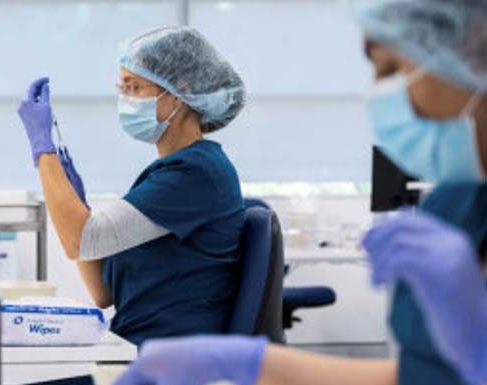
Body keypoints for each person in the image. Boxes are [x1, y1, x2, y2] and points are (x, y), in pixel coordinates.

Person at [113, 1, 487, 385]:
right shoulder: (455, 206)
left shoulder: (195, 170)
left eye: (391, 69)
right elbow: (417, 376)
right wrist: (253, 364)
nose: (377, 94)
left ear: (477, 54)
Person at [18, 26, 247, 346]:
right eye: (122, 87)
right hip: (135, 344)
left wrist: (42, 148)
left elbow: (79, 241)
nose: (125, 99)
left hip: (167, 358)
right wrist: (76, 204)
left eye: (135, 87)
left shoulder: (194, 174)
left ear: (179, 93)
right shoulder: (168, 173)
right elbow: (103, 293)